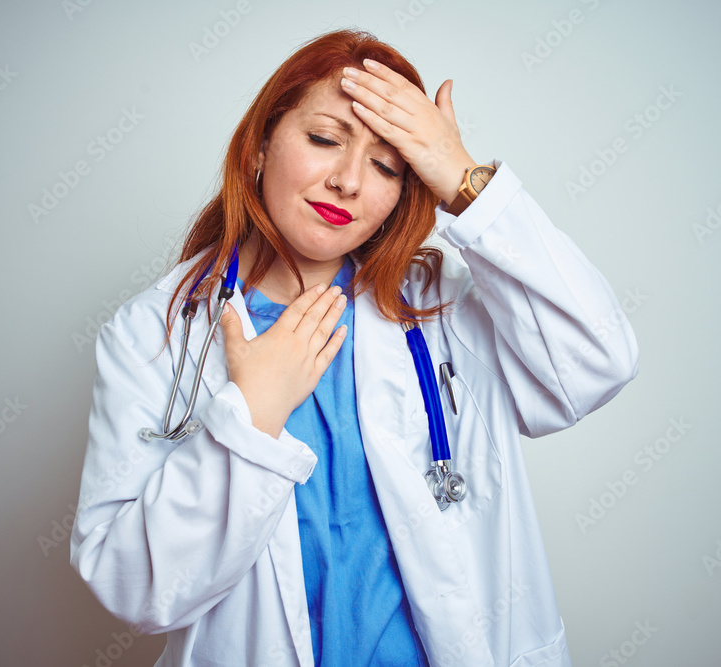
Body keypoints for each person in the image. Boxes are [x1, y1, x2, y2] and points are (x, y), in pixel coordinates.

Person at [71, 28, 639, 667]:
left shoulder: (437, 306)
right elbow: (136, 588)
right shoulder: (157, 331)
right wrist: (251, 418)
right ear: (260, 146)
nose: (347, 181)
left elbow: (597, 363)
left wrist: (465, 183)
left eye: (386, 165)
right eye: (323, 140)